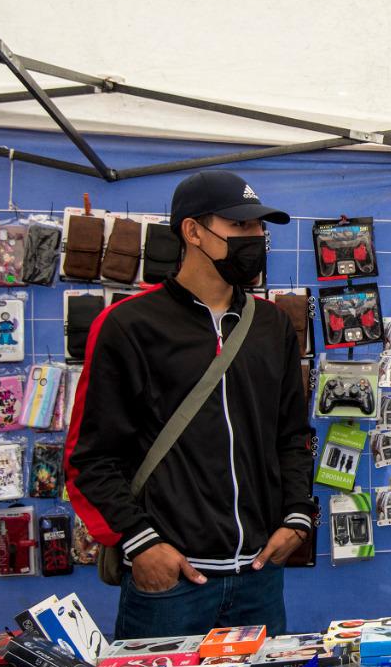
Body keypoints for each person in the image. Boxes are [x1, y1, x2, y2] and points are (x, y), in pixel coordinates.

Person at [65, 170, 314, 638]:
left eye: (260, 228)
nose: (255, 238)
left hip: (259, 578)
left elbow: (293, 435)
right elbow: (90, 458)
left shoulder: (273, 325)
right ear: (193, 231)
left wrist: (298, 516)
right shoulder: (128, 326)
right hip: (172, 581)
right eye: (239, 226)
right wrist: (141, 545)